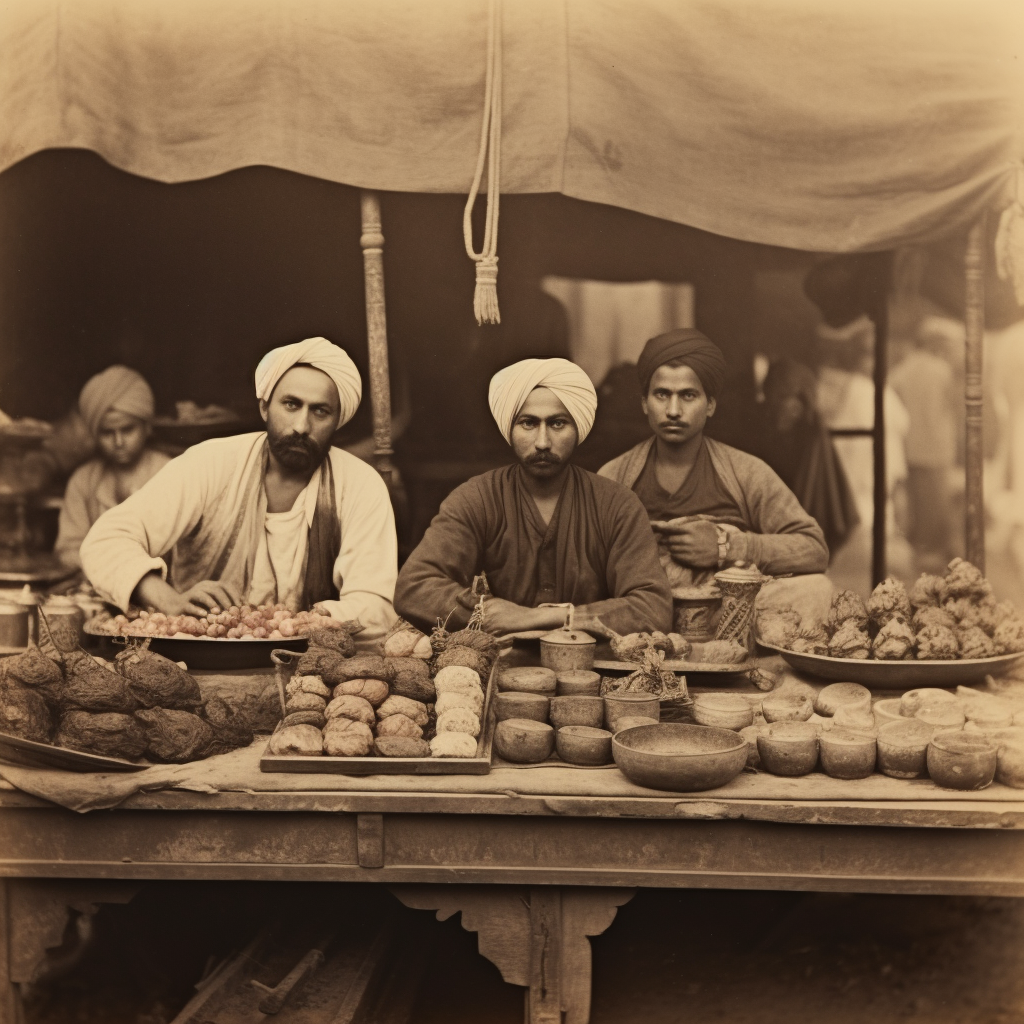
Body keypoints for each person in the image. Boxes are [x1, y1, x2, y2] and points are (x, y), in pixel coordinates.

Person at [81, 337, 398, 636]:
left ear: (337, 419)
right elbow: (105, 541)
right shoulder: (212, 463)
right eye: (290, 404)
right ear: (264, 408)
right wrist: (169, 601)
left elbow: (375, 606)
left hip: (310, 662)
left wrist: (288, 627)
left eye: (320, 411)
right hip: (199, 657)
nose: (302, 426)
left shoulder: (359, 485)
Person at [394, 358, 672, 636]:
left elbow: (652, 608)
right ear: (509, 429)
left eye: (558, 423)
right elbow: (414, 588)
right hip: (498, 662)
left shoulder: (616, 504)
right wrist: (486, 611)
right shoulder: (477, 497)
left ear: (578, 429)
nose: (542, 442)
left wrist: (540, 618)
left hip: (591, 668)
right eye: (528, 423)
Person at [598, 329, 829, 591]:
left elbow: (814, 549)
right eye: (662, 394)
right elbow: (585, 563)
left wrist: (726, 546)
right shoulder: (614, 476)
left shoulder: (746, 472)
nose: (673, 411)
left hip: (728, 619)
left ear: (710, 405)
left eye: (688, 395)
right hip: (640, 619)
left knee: (816, 589)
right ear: (644, 403)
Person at [54, 366, 171, 568]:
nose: (118, 442)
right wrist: (113, 572)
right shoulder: (83, 480)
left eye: (127, 429)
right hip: (96, 587)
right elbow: (68, 551)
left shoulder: (169, 474)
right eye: (107, 432)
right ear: (94, 434)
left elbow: (182, 553)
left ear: (147, 426)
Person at [755, 358, 859, 556]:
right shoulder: (759, 435)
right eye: (771, 397)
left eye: (783, 397)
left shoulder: (813, 438)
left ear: (802, 404)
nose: (774, 407)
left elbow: (830, 515)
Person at [888, 316, 958, 572]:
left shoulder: (902, 370)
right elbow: (953, 407)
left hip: (910, 447)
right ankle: (934, 553)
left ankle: (921, 550)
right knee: (937, 502)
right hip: (937, 448)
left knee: (917, 502)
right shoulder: (941, 370)